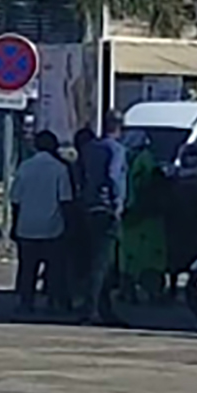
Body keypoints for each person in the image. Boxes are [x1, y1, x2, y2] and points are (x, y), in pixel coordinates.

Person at [10, 129, 73, 316]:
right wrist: (69, 227)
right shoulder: (60, 169)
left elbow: (15, 200)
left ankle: (26, 301)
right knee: (54, 269)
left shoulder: (25, 167)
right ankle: (53, 302)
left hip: (26, 226)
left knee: (27, 268)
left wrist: (14, 225)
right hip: (52, 227)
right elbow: (65, 200)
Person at [70, 121, 126, 326]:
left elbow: (79, 175)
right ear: (120, 129)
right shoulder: (116, 149)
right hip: (106, 210)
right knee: (103, 263)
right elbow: (114, 176)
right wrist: (117, 203)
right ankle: (92, 309)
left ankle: (104, 309)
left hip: (89, 208)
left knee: (97, 262)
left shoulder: (89, 149)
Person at [118, 128, 169, 303]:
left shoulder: (127, 157)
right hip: (144, 215)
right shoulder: (145, 158)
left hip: (132, 214)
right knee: (149, 257)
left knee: (130, 256)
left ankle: (130, 291)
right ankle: (150, 292)